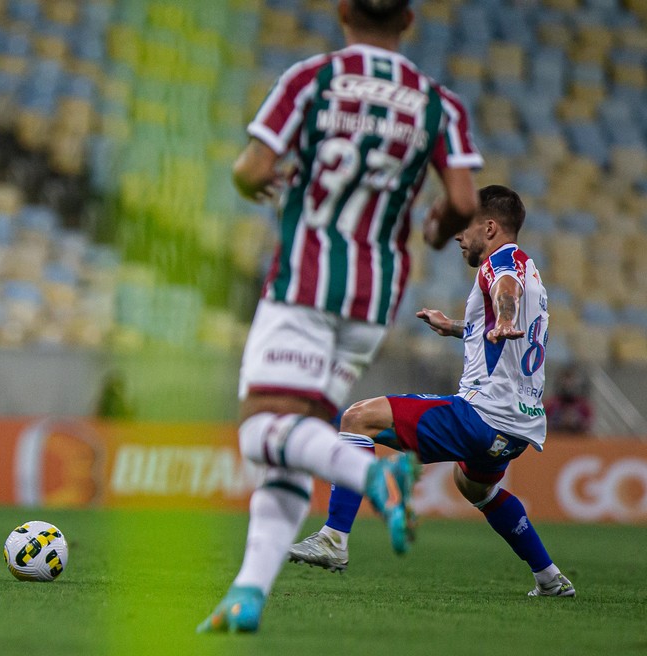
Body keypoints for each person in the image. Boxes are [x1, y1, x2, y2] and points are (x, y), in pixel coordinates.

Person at [198, 0, 482, 634]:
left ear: (342, 13)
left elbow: (251, 168)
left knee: (257, 433)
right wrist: (437, 231)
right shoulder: (440, 103)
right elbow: (462, 200)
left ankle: (370, 473)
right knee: (293, 441)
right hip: (374, 296)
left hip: (305, 284)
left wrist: (260, 185)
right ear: (409, 22)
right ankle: (248, 592)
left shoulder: (312, 78)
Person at [290, 185, 575, 598]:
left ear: (490, 227)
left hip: (482, 415)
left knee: (357, 418)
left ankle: (334, 538)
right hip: (518, 428)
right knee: (474, 486)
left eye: (465, 226)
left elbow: (504, 291)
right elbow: (504, 321)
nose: (459, 236)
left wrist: (506, 316)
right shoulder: (533, 274)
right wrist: (458, 328)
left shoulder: (501, 264)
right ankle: (549, 578)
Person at [544, 364, 593, 434]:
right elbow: (543, 425)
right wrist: (560, 421)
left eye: (571, 380)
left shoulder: (583, 406)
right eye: (565, 380)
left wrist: (576, 422)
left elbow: (588, 426)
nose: (568, 384)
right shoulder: (550, 404)